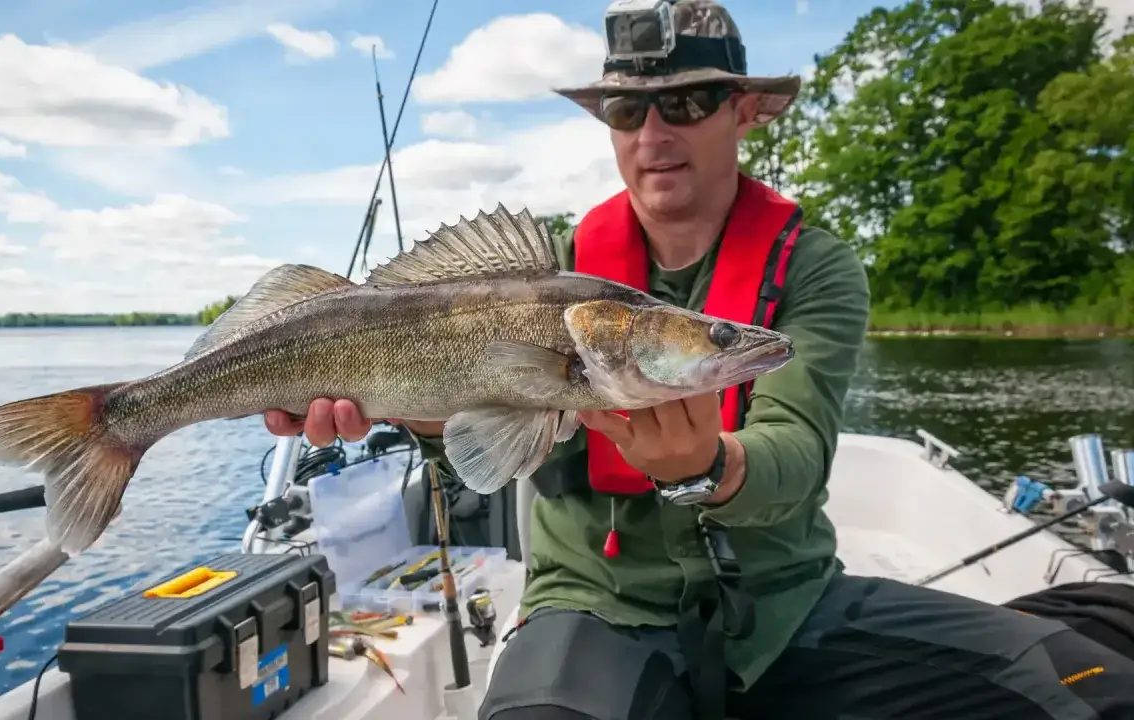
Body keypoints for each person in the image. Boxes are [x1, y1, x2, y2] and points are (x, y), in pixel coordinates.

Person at [263, 1, 1134, 717]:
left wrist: (708, 466)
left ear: (744, 109)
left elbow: (795, 450)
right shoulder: (544, 272)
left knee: (1092, 690)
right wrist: (409, 407)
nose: (653, 132)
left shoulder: (816, 265)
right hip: (594, 604)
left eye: (686, 103)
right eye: (627, 109)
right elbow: (499, 429)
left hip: (790, 605)